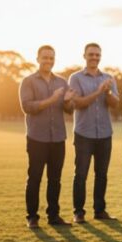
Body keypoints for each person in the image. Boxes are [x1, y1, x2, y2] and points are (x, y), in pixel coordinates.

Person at [19, 45, 75, 229]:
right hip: (37, 138)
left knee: (55, 179)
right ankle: (32, 217)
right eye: (45, 58)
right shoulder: (28, 82)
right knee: (34, 177)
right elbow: (27, 107)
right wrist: (51, 100)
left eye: (51, 58)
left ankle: (54, 216)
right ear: (37, 59)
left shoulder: (62, 82)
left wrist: (67, 101)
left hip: (58, 137)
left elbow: (69, 110)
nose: (48, 61)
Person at [68, 42, 120, 223]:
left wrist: (107, 93)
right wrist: (99, 91)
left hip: (105, 133)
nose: (94, 58)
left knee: (102, 174)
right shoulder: (75, 78)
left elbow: (115, 104)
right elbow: (79, 103)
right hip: (84, 133)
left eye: (97, 55)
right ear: (84, 56)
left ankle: (100, 211)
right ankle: (78, 213)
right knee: (81, 174)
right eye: (91, 54)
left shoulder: (109, 77)